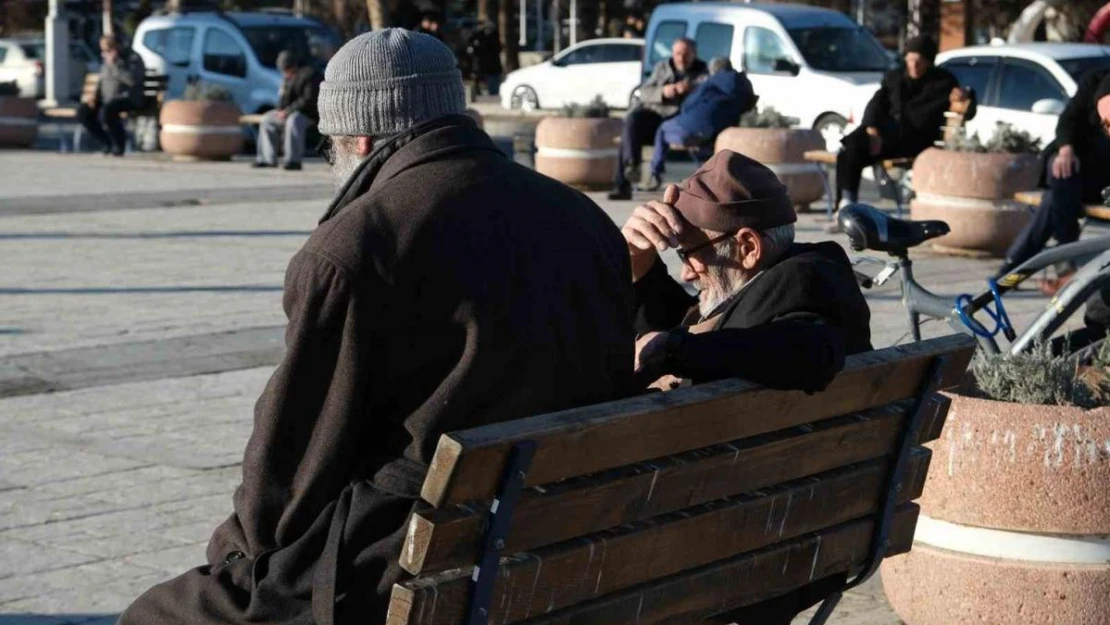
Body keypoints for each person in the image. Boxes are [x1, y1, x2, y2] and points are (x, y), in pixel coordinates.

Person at [118, 29, 635, 625]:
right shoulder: (582, 217)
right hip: (564, 539)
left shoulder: (360, 245)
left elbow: (294, 462)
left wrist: (241, 556)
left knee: (154, 616)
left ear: (359, 137)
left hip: (416, 562)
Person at [622, 149, 872, 395]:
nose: (685, 274)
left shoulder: (804, 283)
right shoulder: (771, 285)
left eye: (688, 255)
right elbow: (706, 328)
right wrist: (638, 263)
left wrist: (673, 350)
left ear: (749, 247)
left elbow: (810, 350)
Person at [1000, 68, 1110, 293]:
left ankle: (1012, 271)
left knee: (1053, 202)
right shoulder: (1094, 82)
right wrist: (1066, 149)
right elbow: (1067, 119)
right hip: (1073, 164)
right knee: (1061, 171)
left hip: (1098, 181)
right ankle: (1063, 262)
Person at [835, 36, 974, 208]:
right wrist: (872, 129)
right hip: (884, 136)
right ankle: (846, 205)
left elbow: (968, 104)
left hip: (914, 141)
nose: (914, 65)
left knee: (851, 149)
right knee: (850, 147)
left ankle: (846, 206)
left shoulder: (942, 82)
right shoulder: (895, 77)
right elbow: (876, 103)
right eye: (910, 60)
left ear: (929, 62)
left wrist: (966, 94)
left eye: (919, 61)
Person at [609, 37, 708, 201]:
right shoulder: (662, 67)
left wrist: (691, 90)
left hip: (680, 121)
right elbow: (644, 92)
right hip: (656, 116)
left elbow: (708, 93)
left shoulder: (703, 71)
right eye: (677, 54)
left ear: (694, 54)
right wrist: (663, 91)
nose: (681, 58)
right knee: (632, 122)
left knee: (632, 133)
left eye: (686, 54)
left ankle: (628, 176)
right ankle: (629, 171)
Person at [645, 57, 756, 192]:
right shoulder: (744, 83)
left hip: (693, 126)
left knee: (663, 129)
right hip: (721, 129)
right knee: (701, 145)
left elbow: (688, 104)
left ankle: (654, 174)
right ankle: (706, 178)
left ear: (714, 69)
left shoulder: (711, 81)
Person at [76, 34, 146, 156]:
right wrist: (95, 96)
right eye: (103, 50)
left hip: (127, 98)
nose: (105, 53)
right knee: (84, 112)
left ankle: (119, 145)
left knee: (108, 111)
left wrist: (115, 65)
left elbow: (132, 80)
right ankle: (106, 142)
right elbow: (102, 80)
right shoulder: (106, 60)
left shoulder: (132, 58)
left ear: (117, 47)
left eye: (108, 49)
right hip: (107, 98)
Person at [252, 51, 321, 171]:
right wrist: (283, 91)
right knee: (267, 119)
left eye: (286, 69)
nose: (285, 73)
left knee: (294, 120)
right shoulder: (288, 79)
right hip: (290, 113)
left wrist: (287, 112)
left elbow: (307, 100)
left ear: (293, 66)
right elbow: (281, 105)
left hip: (309, 114)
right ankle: (267, 159)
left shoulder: (309, 74)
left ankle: (293, 160)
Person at [465, 20, 503, 97]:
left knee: (490, 80)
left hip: (487, 64)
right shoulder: (484, 37)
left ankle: (488, 92)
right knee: (489, 80)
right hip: (486, 64)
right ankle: (487, 92)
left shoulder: (486, 37)